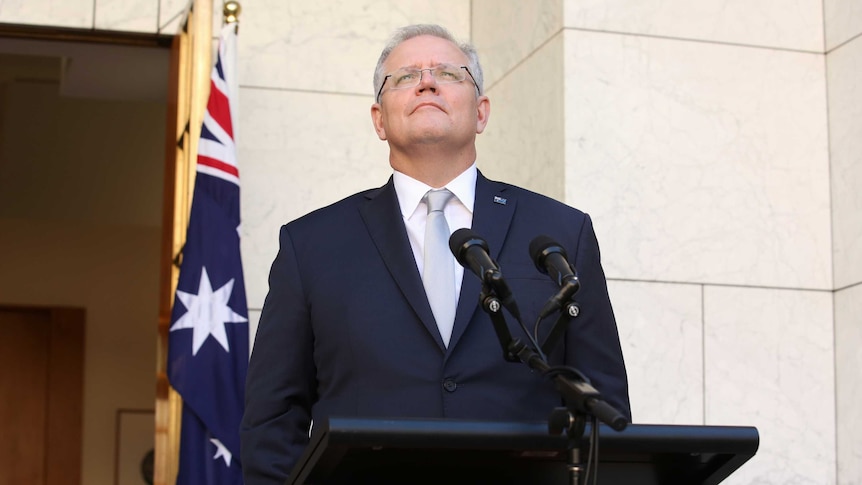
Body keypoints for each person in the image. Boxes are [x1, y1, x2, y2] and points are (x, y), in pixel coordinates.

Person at [240, 24, 630, 485]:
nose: (427, 82)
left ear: (481, 112)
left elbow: (603, 404)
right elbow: (272, 419)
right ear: (379, 119)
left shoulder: (562, 232)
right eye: (404, 77)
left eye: (448, 73)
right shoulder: (310, 244)